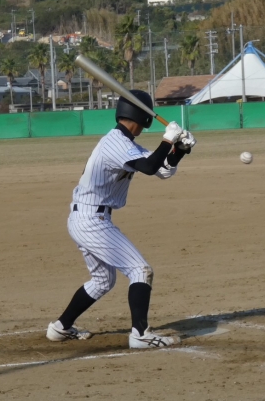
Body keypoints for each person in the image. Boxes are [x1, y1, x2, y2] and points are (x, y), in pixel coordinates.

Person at [46, 90, 196, 349]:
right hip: (91, 220)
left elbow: (161, 169)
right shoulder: (115, 142)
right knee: (140, 270)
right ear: (143, 117)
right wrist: (167, 139)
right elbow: (149, 167)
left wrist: (179, 149)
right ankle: (140, 334)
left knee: (103, 281)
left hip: (87, 218)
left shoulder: (126, 144)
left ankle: (60, 327)